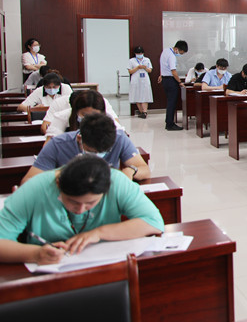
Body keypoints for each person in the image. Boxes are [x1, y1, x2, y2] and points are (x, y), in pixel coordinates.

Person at [0, 155, 164, 264]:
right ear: (58, 184)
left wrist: (98, 233)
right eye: (72, 202)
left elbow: (153, 222)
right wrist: (35, 254)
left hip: (105, 270)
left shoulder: (117, 182)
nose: (80, 209)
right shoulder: (34, 189)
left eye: (90, 203)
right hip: (48, 276)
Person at [23, 112, 150, 184]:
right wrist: (62, 175)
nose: (98, 155)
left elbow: (145, 170)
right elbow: (27, 182)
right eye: (93, 151)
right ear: (79, 138)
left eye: (104, 151)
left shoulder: (119, 138)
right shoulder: (57, 144)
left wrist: (131, 171)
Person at [43, 90, 124, 138]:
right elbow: (48, 150)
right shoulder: (61, 117)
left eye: (95, 115)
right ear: (75, 111)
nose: (90, 119)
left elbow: (121, 138)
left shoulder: (108, 119)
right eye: (85, 115)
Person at [158, 40, 188, 131]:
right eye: (181, 53)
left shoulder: (165, 51)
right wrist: (179, 82)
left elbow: (163, 65)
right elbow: (173, 72)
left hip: (165, 80)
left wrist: (161, 75)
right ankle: (170, 124)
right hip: (170, 81)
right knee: (172, 102)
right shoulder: (172, 56)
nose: (180, 55)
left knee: (169, 102)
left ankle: (168, 120)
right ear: (177, 49)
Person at [128, 46, 153, 119]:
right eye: (138, 53)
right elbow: (130, 71)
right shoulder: (131, 61)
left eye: (141, 53)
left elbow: (150, 70)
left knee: (145, 95)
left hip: (145, 79)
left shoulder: (147, 60)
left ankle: (145, 112)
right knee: (137, 95)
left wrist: (145, 68)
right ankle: (141, 112)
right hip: (136, 80)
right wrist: (137, 67)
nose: (139, 54)